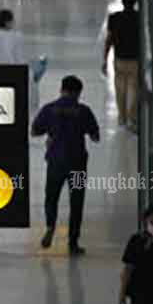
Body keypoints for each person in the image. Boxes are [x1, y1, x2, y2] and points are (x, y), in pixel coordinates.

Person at [31, 75, 101, 255]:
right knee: (76, 202)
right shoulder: (83, 111)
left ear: (61, 89)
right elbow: (95, 137)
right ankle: (73, 242)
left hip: (56, 161)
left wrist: (50, 134)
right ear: (78, 93)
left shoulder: (50, 109)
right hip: (77, 163)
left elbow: (34, 131)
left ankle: (50, 226)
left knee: (51, 197)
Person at [104, 0, 141, 131]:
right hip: (135, 60)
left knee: (120, 89)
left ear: (123, 1)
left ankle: (122, 118)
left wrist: (105, 58)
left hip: (119, 59)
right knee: (134, 89)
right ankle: (132, 118)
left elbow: (109, 40)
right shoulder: (139, 18)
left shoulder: (114, 18)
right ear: (135, 1)